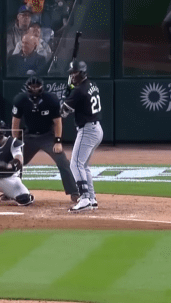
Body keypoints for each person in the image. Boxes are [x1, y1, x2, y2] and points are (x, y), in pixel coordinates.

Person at [11, 76, 79, 203]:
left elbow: (58, 122)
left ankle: (74, 192)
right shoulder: (20, 99)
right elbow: (15, 123)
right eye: (32, 87)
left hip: (47, 136)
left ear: (42, 87)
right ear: (27, 88)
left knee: (62, 161)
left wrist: (58, 141)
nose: (35, 89)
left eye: (37, 87)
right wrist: (15, 142)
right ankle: (11, 190)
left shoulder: (51, 99)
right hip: (28, 136)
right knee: (15, 162)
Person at [60, 61, 103, 213]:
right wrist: (71, 92)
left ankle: (85, 198)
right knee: (83, 165)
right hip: (96, 129)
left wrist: (67, 95)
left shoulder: (78, 91)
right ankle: (91, 198)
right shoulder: (92, 85)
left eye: (75, 73)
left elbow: (63, 112)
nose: (72, 76)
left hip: (88, 129)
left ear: (83, 73)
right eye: (71, 73)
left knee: (75, 164)